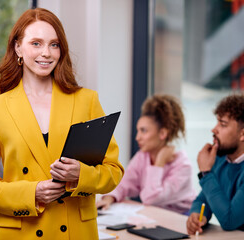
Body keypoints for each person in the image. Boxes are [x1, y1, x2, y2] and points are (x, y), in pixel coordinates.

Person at [0, 8, 124, 240]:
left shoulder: (86, 100)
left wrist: (80, 175)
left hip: (74, 231)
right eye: (36, 43)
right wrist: (32, 192)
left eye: (54, 44)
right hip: (22, 232)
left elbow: (114, 171)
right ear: (18, 48)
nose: (46, 53)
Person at [96, 94, 196, 214]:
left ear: (163, 133)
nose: (138, 137)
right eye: (138, 131)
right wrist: (109, 198)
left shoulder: (183, 166)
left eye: (144, 131)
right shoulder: (142, 157)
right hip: (157, 216)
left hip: (182, 219)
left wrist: (159, 163)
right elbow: (124, 183)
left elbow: (150, 198)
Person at [186, 94, 244, 234]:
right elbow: (202, 199)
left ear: (242, 134)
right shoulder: (221, 159)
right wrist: (197, 215)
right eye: (217, 122)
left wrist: (206, 173)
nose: (214, 129)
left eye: (222, 124)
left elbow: (229, 221)